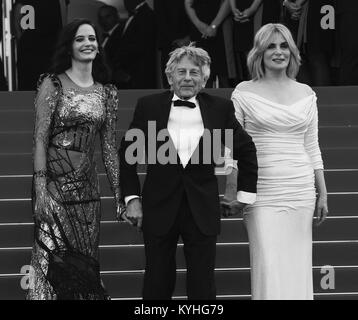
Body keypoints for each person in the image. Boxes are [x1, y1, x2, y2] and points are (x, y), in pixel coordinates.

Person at [119, 44, 258, 300]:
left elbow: (246, 150)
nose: (187, 77)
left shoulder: (220, 108)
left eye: (194, 72)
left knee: (203, 284)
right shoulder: (148, 106)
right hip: (158, 206)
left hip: (202, 208)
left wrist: (244, 196)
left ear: (204, 78)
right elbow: (127, 155)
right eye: (181, 72)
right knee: (157, 281)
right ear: (169, 76)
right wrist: (132, 199)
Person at [225, 23, 328, 300]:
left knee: (297, 266)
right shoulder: (243, 92)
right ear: (259, 52)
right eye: (271, 46)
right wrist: (232, 188)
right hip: (261, 191)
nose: (278, 52)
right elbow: (231, 147)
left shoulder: (307, 93)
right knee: (268, 265)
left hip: (300, 189)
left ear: (292, 52)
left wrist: (323, 192)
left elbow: (312, 145)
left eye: (284, 46)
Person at [27, 19, 124, 300]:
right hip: (54, 189)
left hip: (87, 194)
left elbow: (108, 147)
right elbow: (40, 138)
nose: (87, 44)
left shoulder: (106, 92)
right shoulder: (53, 83)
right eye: (80, 39)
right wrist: (41, 188)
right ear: (69, 45)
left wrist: (119, 195)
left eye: (92, 38)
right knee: (50, 263)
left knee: (84, 266)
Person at [184, 0, 231, 87]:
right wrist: (199, 25)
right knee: (201, 70)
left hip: (221, 27)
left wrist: (214, 26)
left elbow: (227, 2)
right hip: (198, 27)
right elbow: (188, 3)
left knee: (224, 74)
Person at [112, 0, 156, 89]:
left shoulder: (146, 15)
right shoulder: (134, 16)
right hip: (127, 74)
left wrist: (128, 71)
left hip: (138, 73)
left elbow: (143, 45)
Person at [154, 0, 191, 88]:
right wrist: (175, 40)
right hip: (169, 45)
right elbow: (160, 19)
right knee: (170, 83)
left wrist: (189, 37)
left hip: (190, 42)